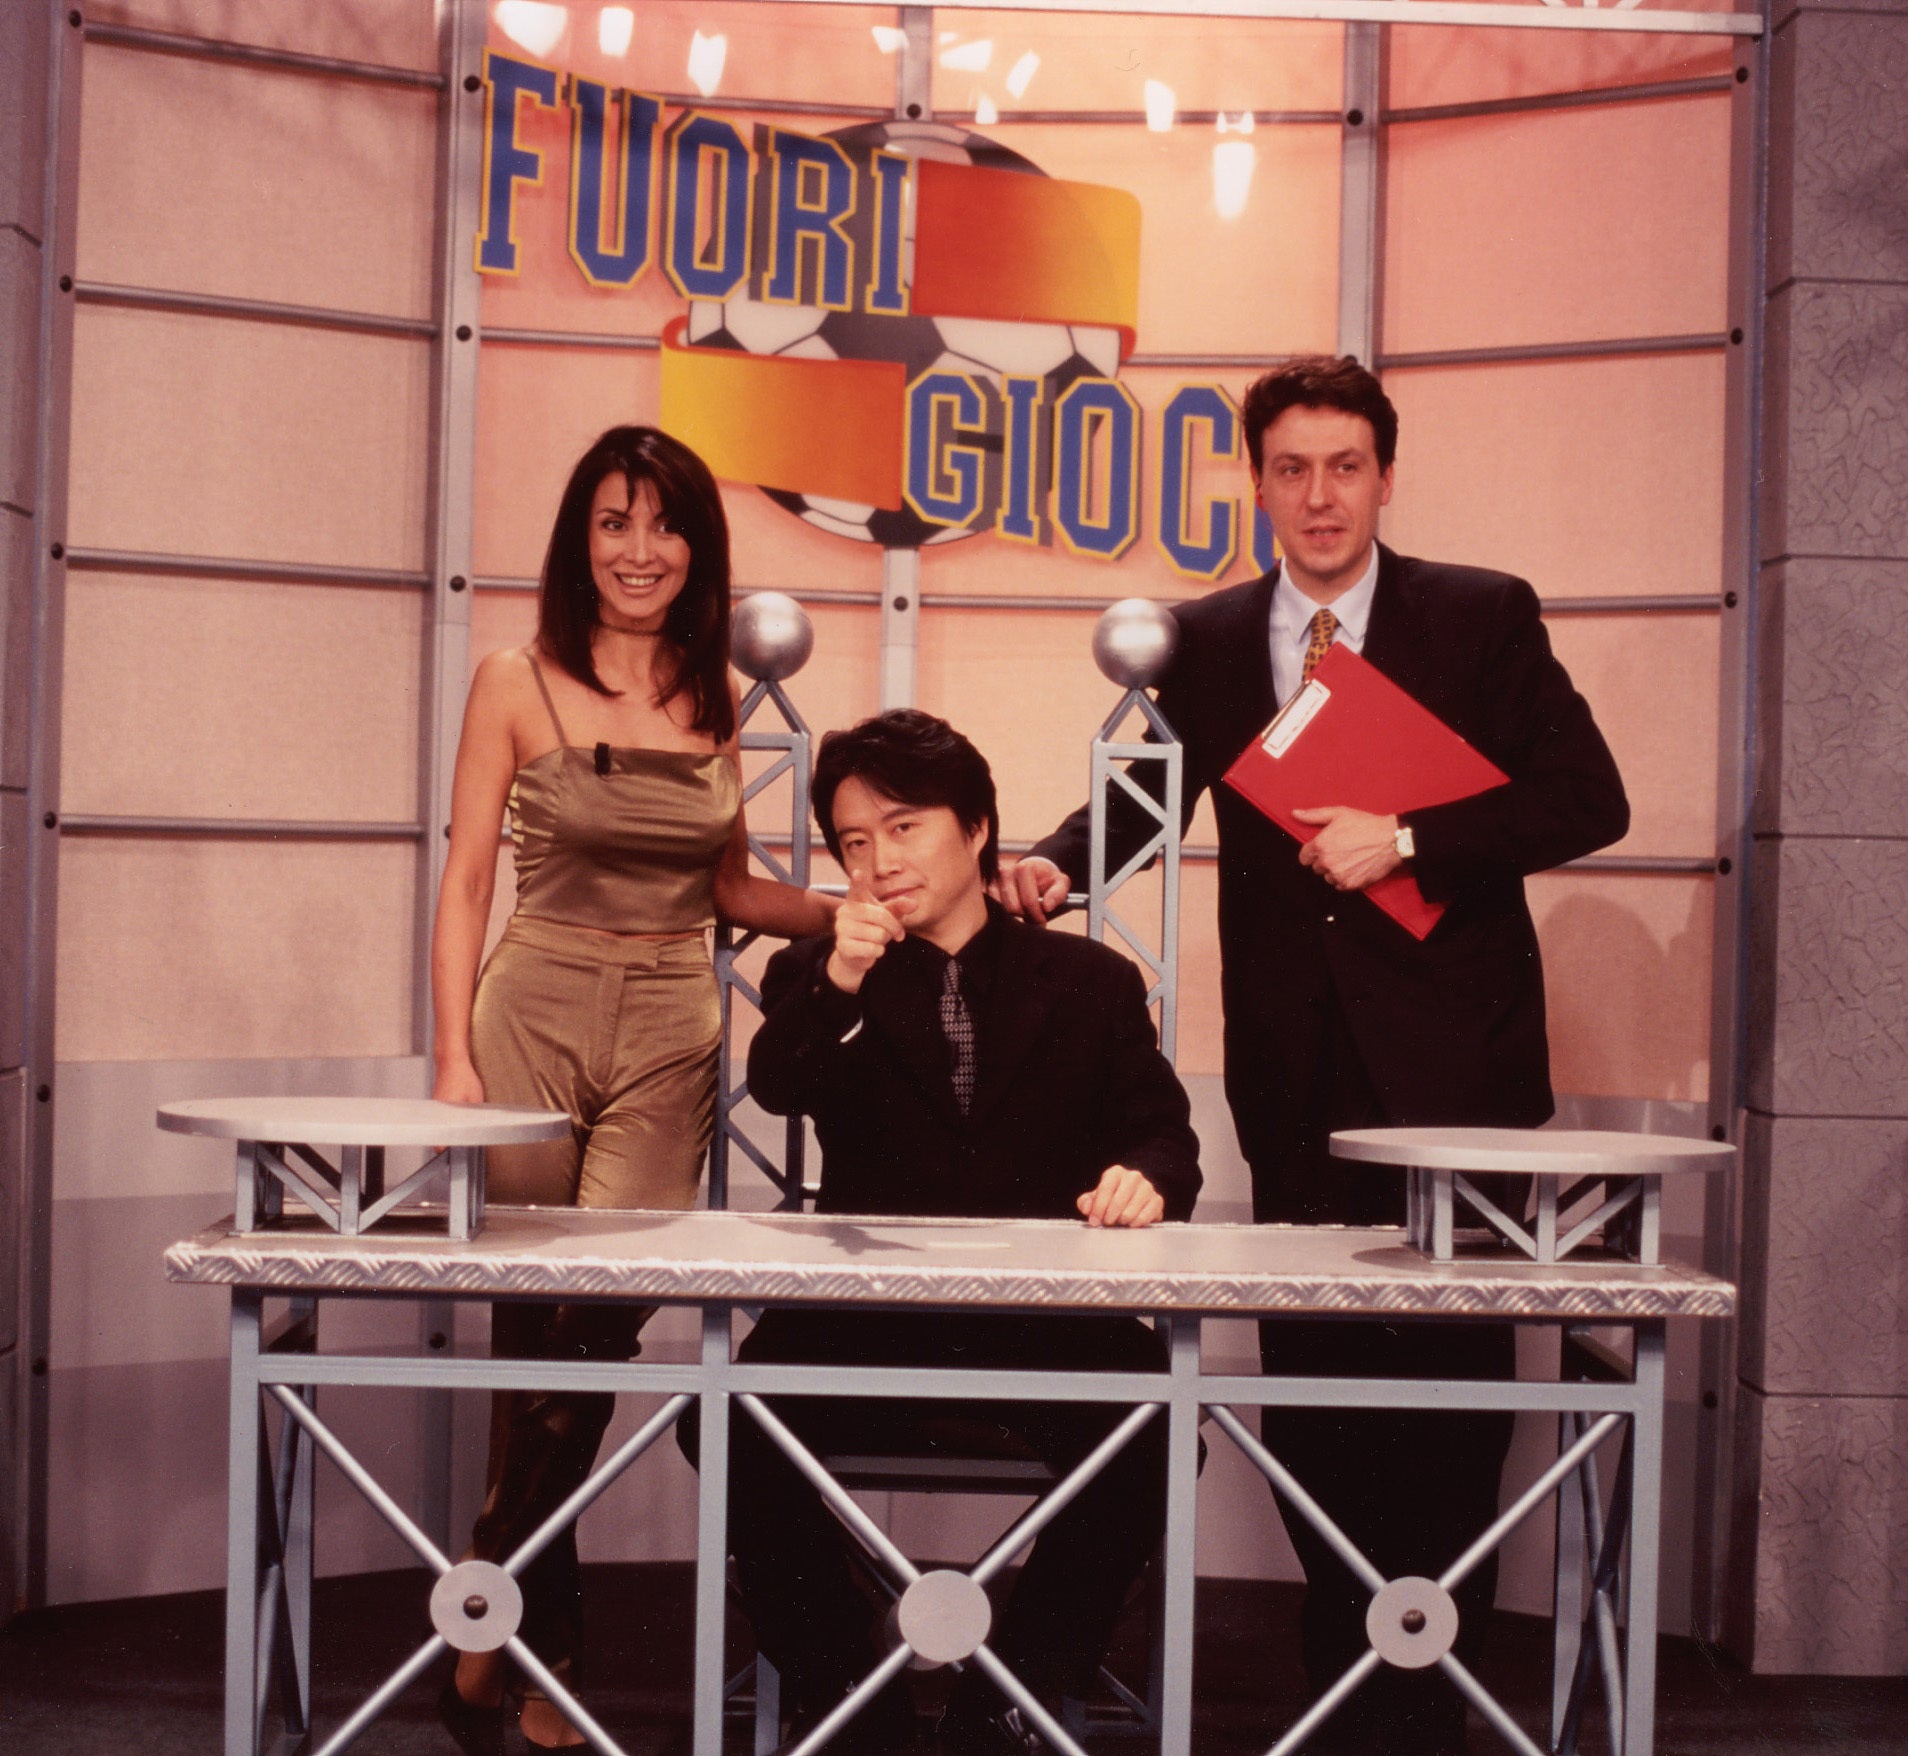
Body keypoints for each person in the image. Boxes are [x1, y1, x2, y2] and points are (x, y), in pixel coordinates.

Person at [998, 357, 1629, 1755]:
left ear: (1385, 476)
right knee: (1312, 1377)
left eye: (1346, 466)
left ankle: (1423, 1675)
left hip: (1459, 1072)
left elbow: (1589, 797)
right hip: (1293, 1074)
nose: (1320, 495)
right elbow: (1145, 803)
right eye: (1292, 468)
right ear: (1258, 483)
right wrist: (1052, 862)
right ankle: (1345, 1662)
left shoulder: (1479, 613)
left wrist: (1406, 839)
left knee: (1456, 1393)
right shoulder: (1208, 638)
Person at [682, 709, 1201, 1755]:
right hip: (869, 1317)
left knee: (1159, 1425)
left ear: (977, 830)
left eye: (904, 827)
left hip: (1044, 1322)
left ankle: (1005, 1708)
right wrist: (838, 977)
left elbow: (1165, 1137)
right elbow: (779, 1084)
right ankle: (851, 1703)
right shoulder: (818, 970)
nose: (878, 862)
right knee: (721, 1421)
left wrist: (1144, 1179)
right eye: (854, 841)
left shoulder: (1091, 981)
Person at [429, 426, 837, 1753]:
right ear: (581, 540)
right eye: (614, 522)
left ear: (698, 549)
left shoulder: (712, 694)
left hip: (670, 1017)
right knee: (532, 1328)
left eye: (664, 526)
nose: (639, 550)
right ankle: (542, 1657)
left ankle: (484, 1595)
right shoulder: (513, 678)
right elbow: (467, 882)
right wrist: (452, 1059)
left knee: (596, 1320)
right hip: (531, 1009)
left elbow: (727, 890)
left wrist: (845, 913)